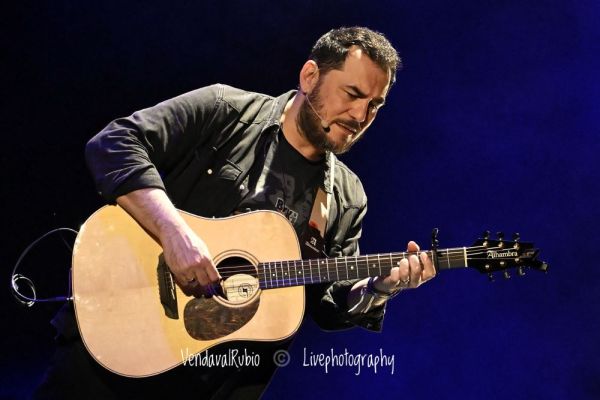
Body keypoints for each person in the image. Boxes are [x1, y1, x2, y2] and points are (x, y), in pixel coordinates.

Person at [34, 26, 436, 399]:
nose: (361, 117)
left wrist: (378, 289)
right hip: (119, 344)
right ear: (310, 76)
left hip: (219, 382)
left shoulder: (347, 196)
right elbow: (115, 143)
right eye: (352, 94)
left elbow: (329, 305)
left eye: (374, 105)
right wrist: (174, 233)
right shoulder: (226, 110)